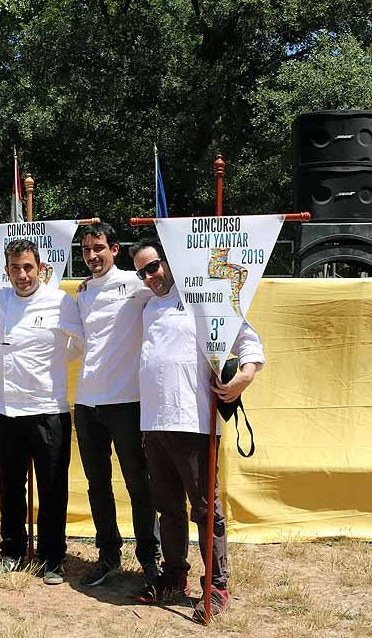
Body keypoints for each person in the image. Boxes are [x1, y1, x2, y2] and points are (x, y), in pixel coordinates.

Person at [131, 238, 264, 620]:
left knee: (205, 509)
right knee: (167, 507)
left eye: (153, 267)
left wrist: (245, 376)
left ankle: (217, 584)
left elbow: (249, 341)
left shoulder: (207, 297)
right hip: (154, 422)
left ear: (169, 262)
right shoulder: (148, 306)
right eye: (141, 272)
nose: (148, 277)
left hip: (193, 422)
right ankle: (175, 575)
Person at [0, 238, 83, 585]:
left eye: (28, 267)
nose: (22, 275)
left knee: (53, 488)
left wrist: (56, 361)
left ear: (41, 268)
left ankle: (52, 557)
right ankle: (11, 551)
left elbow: (79, 343)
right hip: (7, 412)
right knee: (11, 488)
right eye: (14, 268)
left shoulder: (60, 302)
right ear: (6, 270)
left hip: (49, 411)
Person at [73, 223, 161, 591]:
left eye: (98, 248)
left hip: (126, 402)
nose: (92, 256)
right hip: (86, 402)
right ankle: (108, 555)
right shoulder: (80, 293)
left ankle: (149, 559)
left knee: (139, 485)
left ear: (115, 248)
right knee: (97, 486)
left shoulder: (138, 283)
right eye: (86, 250)